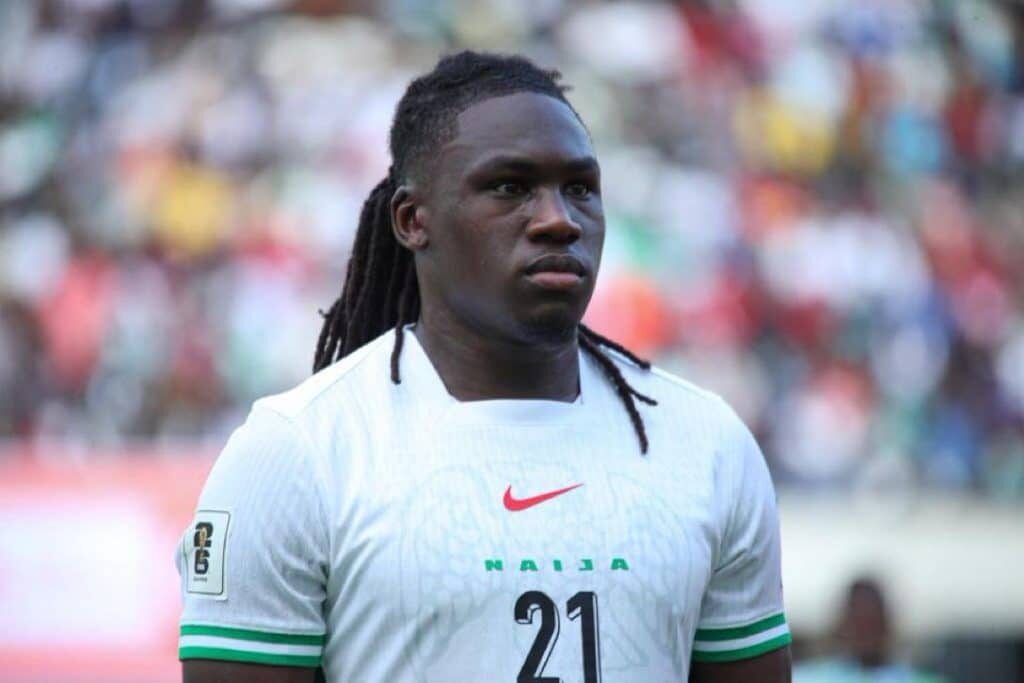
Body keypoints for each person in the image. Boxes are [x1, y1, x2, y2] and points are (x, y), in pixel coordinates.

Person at [176, 51, 791, 682]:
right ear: (413, 220)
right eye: (509, 187)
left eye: (580, 188)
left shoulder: (707, 444)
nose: (559, 220)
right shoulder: (295, 454)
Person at [795, 578, 946, 683]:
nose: (867, 634)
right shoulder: (806, 678)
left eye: (873, 622)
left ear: (887, 625)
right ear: (843, 626)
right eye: (859, 623)